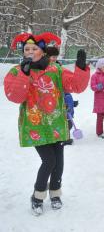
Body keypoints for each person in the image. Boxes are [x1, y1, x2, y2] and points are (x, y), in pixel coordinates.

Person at [3, 32, 89, 216]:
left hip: (56, 122)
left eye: (34, 48)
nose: (30, 52)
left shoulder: (55, 69)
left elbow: (76, 86)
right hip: (36, 126)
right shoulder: (17, 71)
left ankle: (55, 193)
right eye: (27, 49)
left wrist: (81, 68)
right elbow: (15, 97)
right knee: (48, 161)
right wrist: (25, 74)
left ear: (42, 51)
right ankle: (37, 196)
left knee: (59, 162)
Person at [46, 46, 78, 146]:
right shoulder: (43, 68)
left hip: (64, 95)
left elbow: (66, 85)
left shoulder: (59, 67)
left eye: (55, 56)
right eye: (51, 56)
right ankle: (54, 137)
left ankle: (66, 137)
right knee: (54, 119)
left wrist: (71, 103)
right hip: (50, 98)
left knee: (68, 119)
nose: (53, 58)